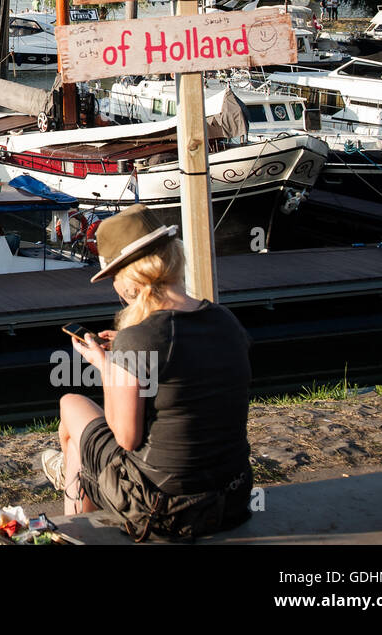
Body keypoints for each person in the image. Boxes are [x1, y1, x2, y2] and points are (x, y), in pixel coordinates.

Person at [38, 204, 253, 541]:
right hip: (232, 499)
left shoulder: (138, 337)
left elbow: (126, 437)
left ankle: (75, 507)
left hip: (164, 510)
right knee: (85, 444)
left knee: (70, 404)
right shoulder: (225, 320)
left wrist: (107, 366)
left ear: (129, 277)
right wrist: (124, 359)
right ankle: (73, 478)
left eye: (112, 278)